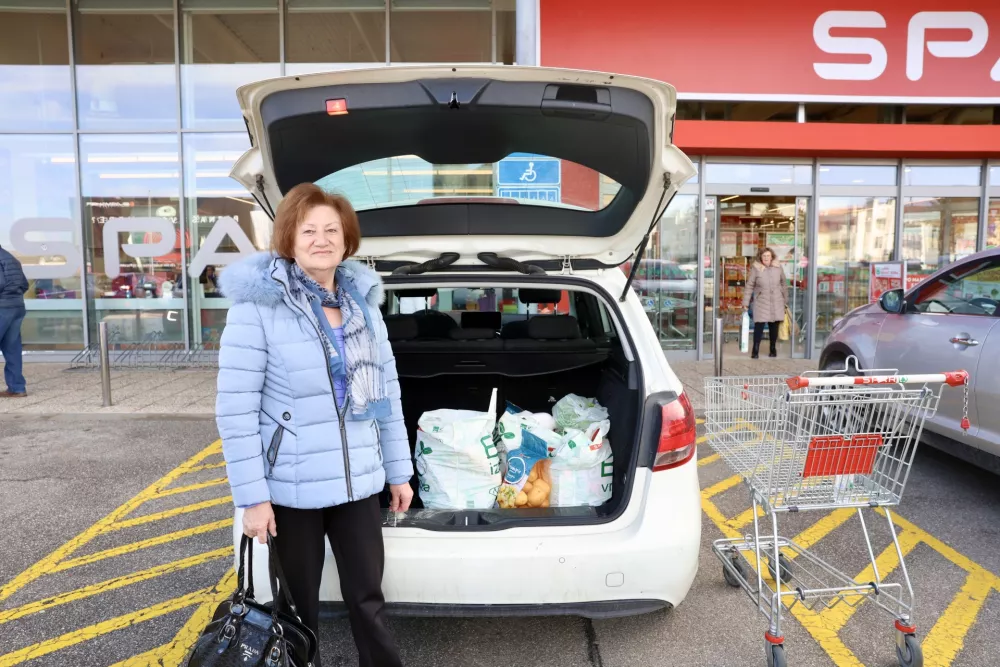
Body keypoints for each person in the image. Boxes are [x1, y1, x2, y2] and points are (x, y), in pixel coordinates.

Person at [215, 183, 413, 667]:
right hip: (292, 487)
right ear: (289, 237)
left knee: (368, 598)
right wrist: (253, 499)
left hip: (359, 482)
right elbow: (235, 409)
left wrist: (398, 471)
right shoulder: (257, 308)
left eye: (332, 229)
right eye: (309, 230)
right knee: (297, 611)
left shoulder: (362, 306)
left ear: (347, 239)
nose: (322, 239)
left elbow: (386, 394)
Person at [742, 247, 788, 359]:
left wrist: (785, 300)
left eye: (768, 256)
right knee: (759, 326)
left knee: (774, 326)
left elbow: (783, 283)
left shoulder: (778, 267)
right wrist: (745, 302)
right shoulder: (756, 268)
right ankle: (755, 349)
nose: (766, 258)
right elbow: (749, 286)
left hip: (776, 301)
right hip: (761, 301)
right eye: (764, 256)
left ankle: (773, 348)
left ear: (771, 257)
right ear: (760, 257)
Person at [0, 244, 29, 397]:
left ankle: (16, 387)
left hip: (2, 307)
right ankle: (17, 387)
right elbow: (24, 284)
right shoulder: (11, 258)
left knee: (12, 348)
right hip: (17, 306)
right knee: (12, 349)